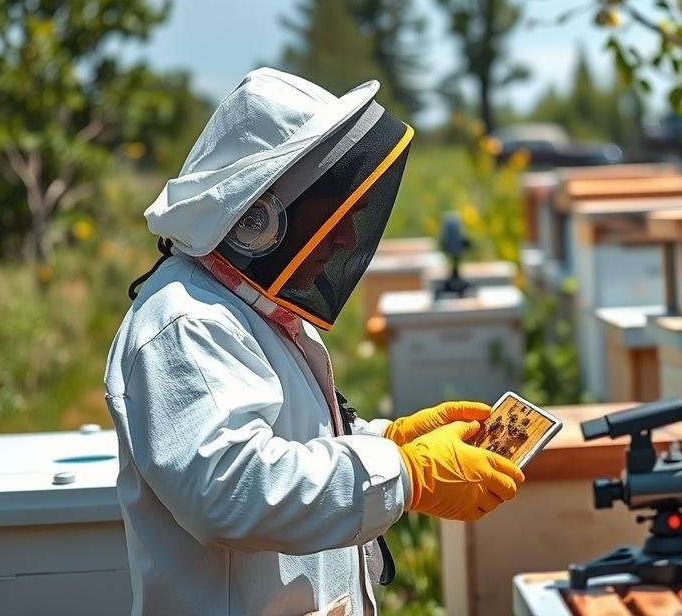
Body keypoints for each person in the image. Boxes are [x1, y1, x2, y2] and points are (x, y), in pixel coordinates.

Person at [104, 68, 524, 616]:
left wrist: (388, 442)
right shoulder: (187, 324)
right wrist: (406, 474)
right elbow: (231, 489)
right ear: (258, 217)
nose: (348, 237)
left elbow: (284, 443)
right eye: (331, 213)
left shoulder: (241, 307)